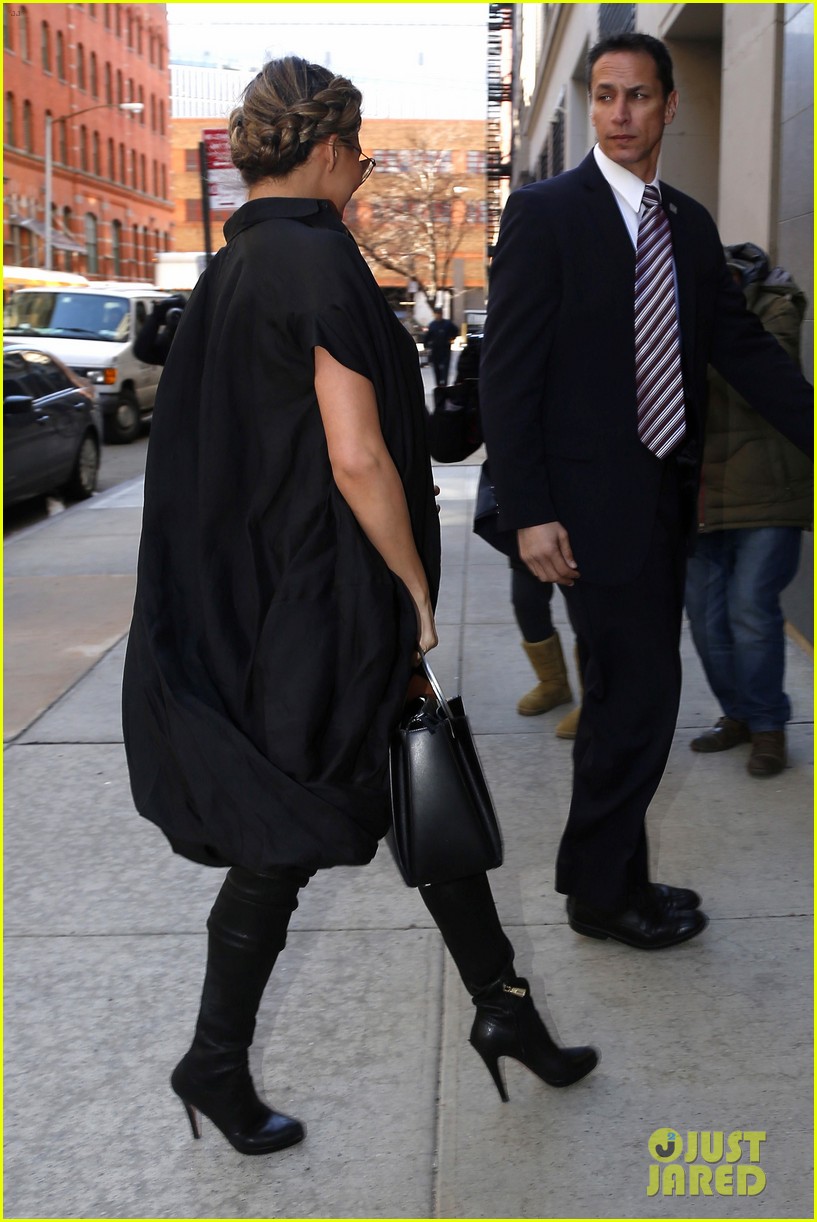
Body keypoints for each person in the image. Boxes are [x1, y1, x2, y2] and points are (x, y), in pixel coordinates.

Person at [121, 57, 597, 1159]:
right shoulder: (318, 260)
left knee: (416, 777)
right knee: (298, 827)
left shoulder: (233, 270)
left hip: (270, 594)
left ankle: (502, 1007)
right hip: (327, 597)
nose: (363, 171)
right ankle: (216, 1059)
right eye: (363, 152)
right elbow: (356, 454)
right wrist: (414, 590)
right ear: (331, 148)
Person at [479, 33, 813, 952]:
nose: (618, 113)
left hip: (667, 508)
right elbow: (507, 378)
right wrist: (529, 512)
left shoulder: (689, 227)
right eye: (603, 95)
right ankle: (601, 894)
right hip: (584, 517)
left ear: (669, 106)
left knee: (629, 700)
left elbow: (743, 351)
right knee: (636, 700)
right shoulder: (545, 213)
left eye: (635, 96)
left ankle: (611, 880)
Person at [685, 243, 812, 778]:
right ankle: (737, 714)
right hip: (701, 495)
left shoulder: (776, 304)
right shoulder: (673, 311)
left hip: (767, 491)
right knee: (705, 620)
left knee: (751, 610)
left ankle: (767, 727)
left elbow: (762, 377)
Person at [133, 293, 187, 366]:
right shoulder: (169, 342)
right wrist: (155, 318)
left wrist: (155, 318)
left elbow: (141, 352)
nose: (177, 317)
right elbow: (142, 351)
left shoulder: (198, 340)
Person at [424, 307, 459, 386]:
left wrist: (451, 338)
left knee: (445, 367)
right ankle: (438, 384)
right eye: (437, 314)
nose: (438, 315)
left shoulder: (447, 324)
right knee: (436, 368)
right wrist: (426, 345)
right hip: (435, 349)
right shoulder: (432, 325)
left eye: (439, 314)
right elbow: (428, 336)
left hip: (445, 348)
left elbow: (456, 330)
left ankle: (445, 384)